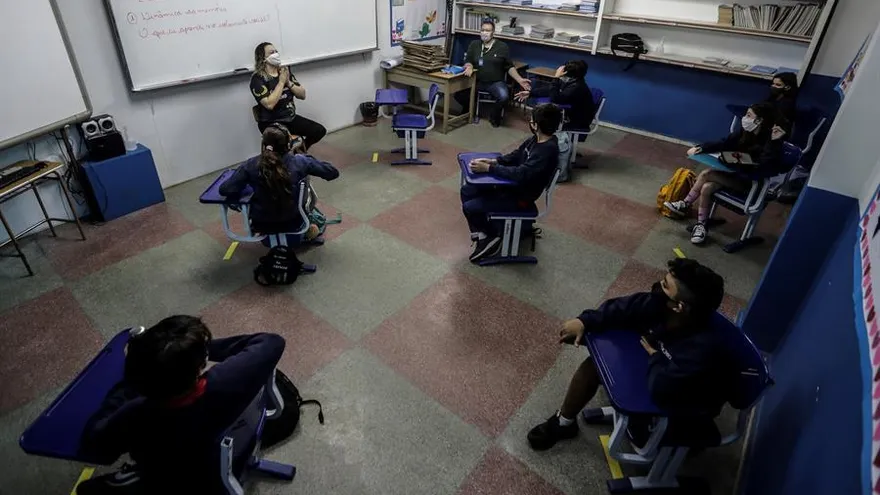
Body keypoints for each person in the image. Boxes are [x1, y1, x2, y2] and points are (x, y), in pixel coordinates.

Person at [527, 258, 732, 452]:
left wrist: (655, 357)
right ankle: (564, 423)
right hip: (657, 372)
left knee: (643, 436)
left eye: (665, 285)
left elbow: (665, 388)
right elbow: (622, 308)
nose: (657, 287)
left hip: (681, 409)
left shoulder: (703, 350)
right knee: (593, 366)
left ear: (679, 307)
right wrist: (585, 321)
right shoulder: (659, 305)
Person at [78, 316, 287, 494]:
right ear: (199, 365)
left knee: (87, 489)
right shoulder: (228, 381)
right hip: (231, 458)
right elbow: (271, 341)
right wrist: (193, 350)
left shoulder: (137, 414)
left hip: (172, 478)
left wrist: (125, 387)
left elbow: (95, 446)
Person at [664, 103, 787, 245]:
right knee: (706, 187)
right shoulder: (745, 132)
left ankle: (685, 204)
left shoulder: (771, 140)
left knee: (706, 174)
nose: (745, 118)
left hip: (751, 184)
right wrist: (702, 147)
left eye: (749, 115)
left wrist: (774, 141)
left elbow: (766, 165)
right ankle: (701, 226)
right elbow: (725, 143)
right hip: (736, 175)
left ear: (759, 120)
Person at [462, 103, 562, 262]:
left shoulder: (547, 150)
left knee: (470, 207)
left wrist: (489, 168)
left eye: (531, 119)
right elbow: (516, 156)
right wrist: (493, 161)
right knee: (467, 190)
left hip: (521, 197)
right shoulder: (536, 139)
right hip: (511, 188)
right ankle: (484, 233)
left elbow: (521, 174)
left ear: (536, 125)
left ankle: (491, 237)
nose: (530, 121)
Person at [220, 125, 339, 238]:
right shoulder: (300, 161)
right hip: (295, 220)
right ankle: (307, 231)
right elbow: (332, 173)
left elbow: (225, 190)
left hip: (261, 224)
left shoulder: (250, 164)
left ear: (264, 144)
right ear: (288, 144)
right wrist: (309, 160)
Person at [455, 19, 531, 127]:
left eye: (488, 30)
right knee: (458, 94)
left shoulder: (502, 47)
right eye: (483, 30)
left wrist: (520, 80)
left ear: (493, 32)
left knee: (504, 97)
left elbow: (509, 66)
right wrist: (469, 66)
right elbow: (468, 60)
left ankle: (494, 115)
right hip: (477, 81)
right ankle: (469, 107)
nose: (484, 32)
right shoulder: (474, 44)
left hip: (495, 82)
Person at [250, 42, 326, 150]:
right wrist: (281, 82)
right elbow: (269, 104)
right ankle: (287, 156)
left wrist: (288, 83)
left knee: (319, 130)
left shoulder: (284, 72)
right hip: (271, 122)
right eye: (272, 52)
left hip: (290, 118)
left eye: (276, 51)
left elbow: (302, 95)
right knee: (283, 144)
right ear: (263, 58)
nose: (276, 54)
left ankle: (300, 150)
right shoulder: (258, 79)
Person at [514, 60, 596, 132]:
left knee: (543, 120)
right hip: (571, 113)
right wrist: (530, 93)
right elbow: (550, 90)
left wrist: (556, 77)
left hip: (577, 121)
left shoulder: (577, 87)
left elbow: (555, 98)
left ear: (571, 77)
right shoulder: (572, 82)